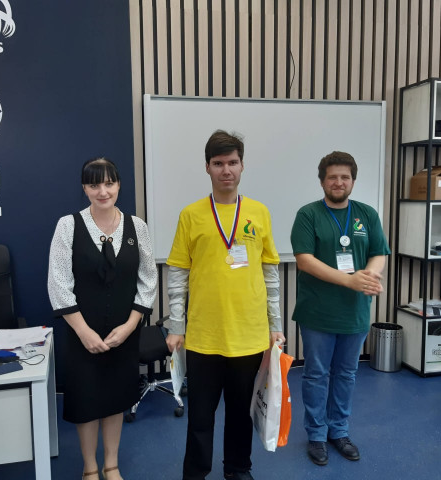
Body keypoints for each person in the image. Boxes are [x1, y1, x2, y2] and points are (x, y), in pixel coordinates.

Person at [165, 130, 285, 480]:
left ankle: (237, 469)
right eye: (218, 163)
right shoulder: (191, 214)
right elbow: (178, 274)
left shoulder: (259, 212)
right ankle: (195, 473)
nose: (226, 170)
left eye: (232, 162)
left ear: (242, 165)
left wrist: (275, 325)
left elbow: (270, 274)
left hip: (249, 334)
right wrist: (176, 326)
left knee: (240, 412)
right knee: (200, 416)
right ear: (207, 167)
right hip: (204, 336)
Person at [48, 158, 158, 480]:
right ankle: (90, 467)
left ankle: (111, 464)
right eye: (94, 185)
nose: (103, 191)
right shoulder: (68, 226)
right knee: (86, 401)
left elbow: (148, 280)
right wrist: (83, 332)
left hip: (124, 333)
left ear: (119, 185)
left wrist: (130, 326)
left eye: (109, 183)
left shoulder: (137, 227)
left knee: (114, 398)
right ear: (85, 188)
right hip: (82, 332)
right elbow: (59, 283)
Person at [290, 151, 391, 466]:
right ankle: (317, 434)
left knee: (347, 374)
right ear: (322, 181)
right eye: (332, 177)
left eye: (344, 177)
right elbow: (305, 260)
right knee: (316, 374)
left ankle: (339, 430)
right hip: (318, 312)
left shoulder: (367, 214)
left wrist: (370, 275)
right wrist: (349, 280)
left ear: (353, 181)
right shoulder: (308, 214)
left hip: (354, 312)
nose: (338, 182)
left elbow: (379, 252)